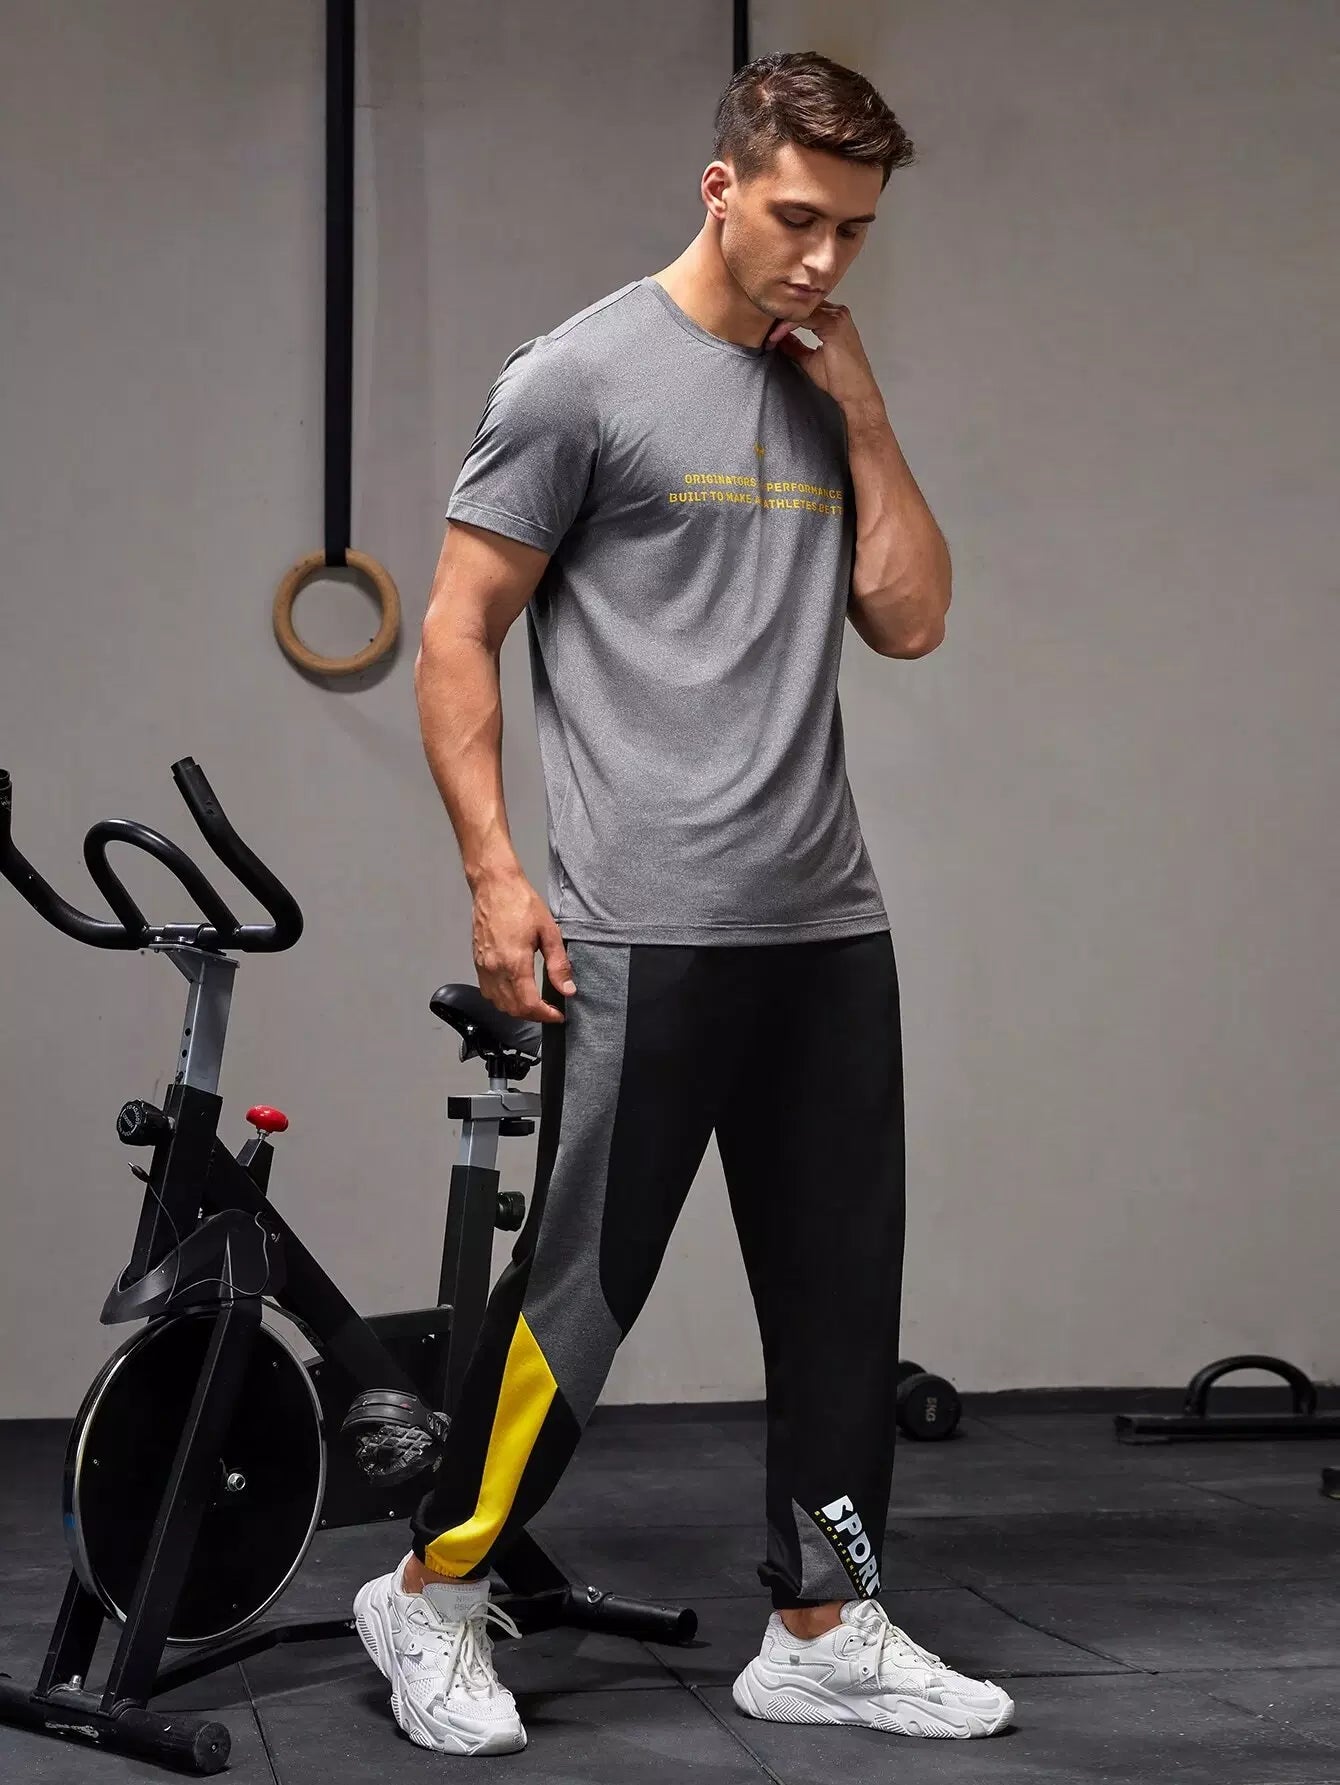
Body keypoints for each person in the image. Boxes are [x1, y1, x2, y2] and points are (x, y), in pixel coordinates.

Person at [354, 49, 1014, 1756]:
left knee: (839, 1297)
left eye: (854, 231)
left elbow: (913, 618)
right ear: (721, 185)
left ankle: (825, 1623)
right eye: (798, 218)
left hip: (826, 920)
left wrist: (864, 409)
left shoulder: (824, 381)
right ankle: (431, 1586)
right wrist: (497, 873)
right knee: (578, 1298)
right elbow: (455, 635)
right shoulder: (578, 378)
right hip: (642, 924)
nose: (824, 258)